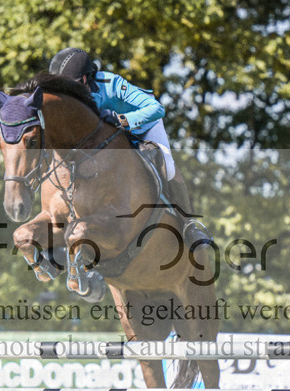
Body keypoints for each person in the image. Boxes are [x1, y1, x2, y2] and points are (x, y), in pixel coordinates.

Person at [48, 47, 210, 247]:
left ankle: (189, 225)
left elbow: (157, 109)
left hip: (143, 125)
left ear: (83, 80)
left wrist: (120, 119)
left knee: (167, 167)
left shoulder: (111, 84)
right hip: (111, 139)